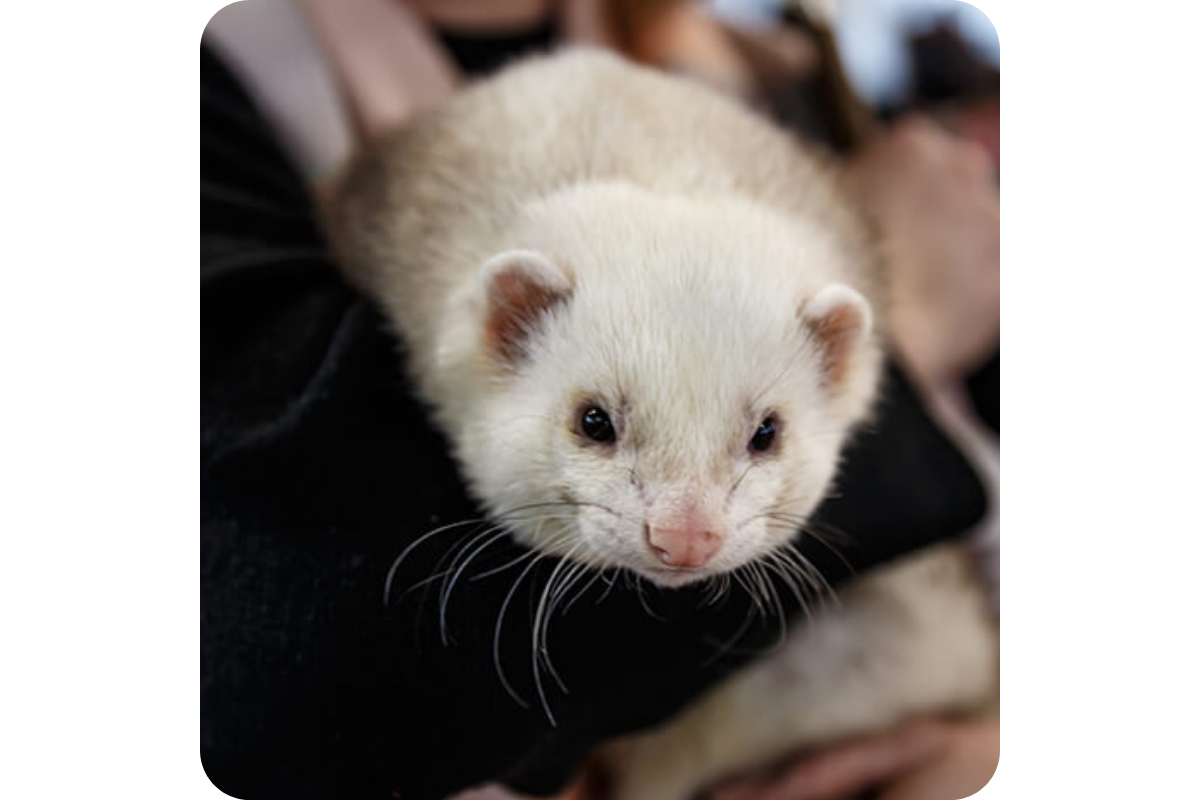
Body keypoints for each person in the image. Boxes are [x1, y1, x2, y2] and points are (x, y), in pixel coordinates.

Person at [200, 3, 998, 799]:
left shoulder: (771, 67)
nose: (687, 536)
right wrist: (915, 330)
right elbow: (271, 679)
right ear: (505, 326)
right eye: (596, 426)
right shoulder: (243, 69)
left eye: (760, 438)